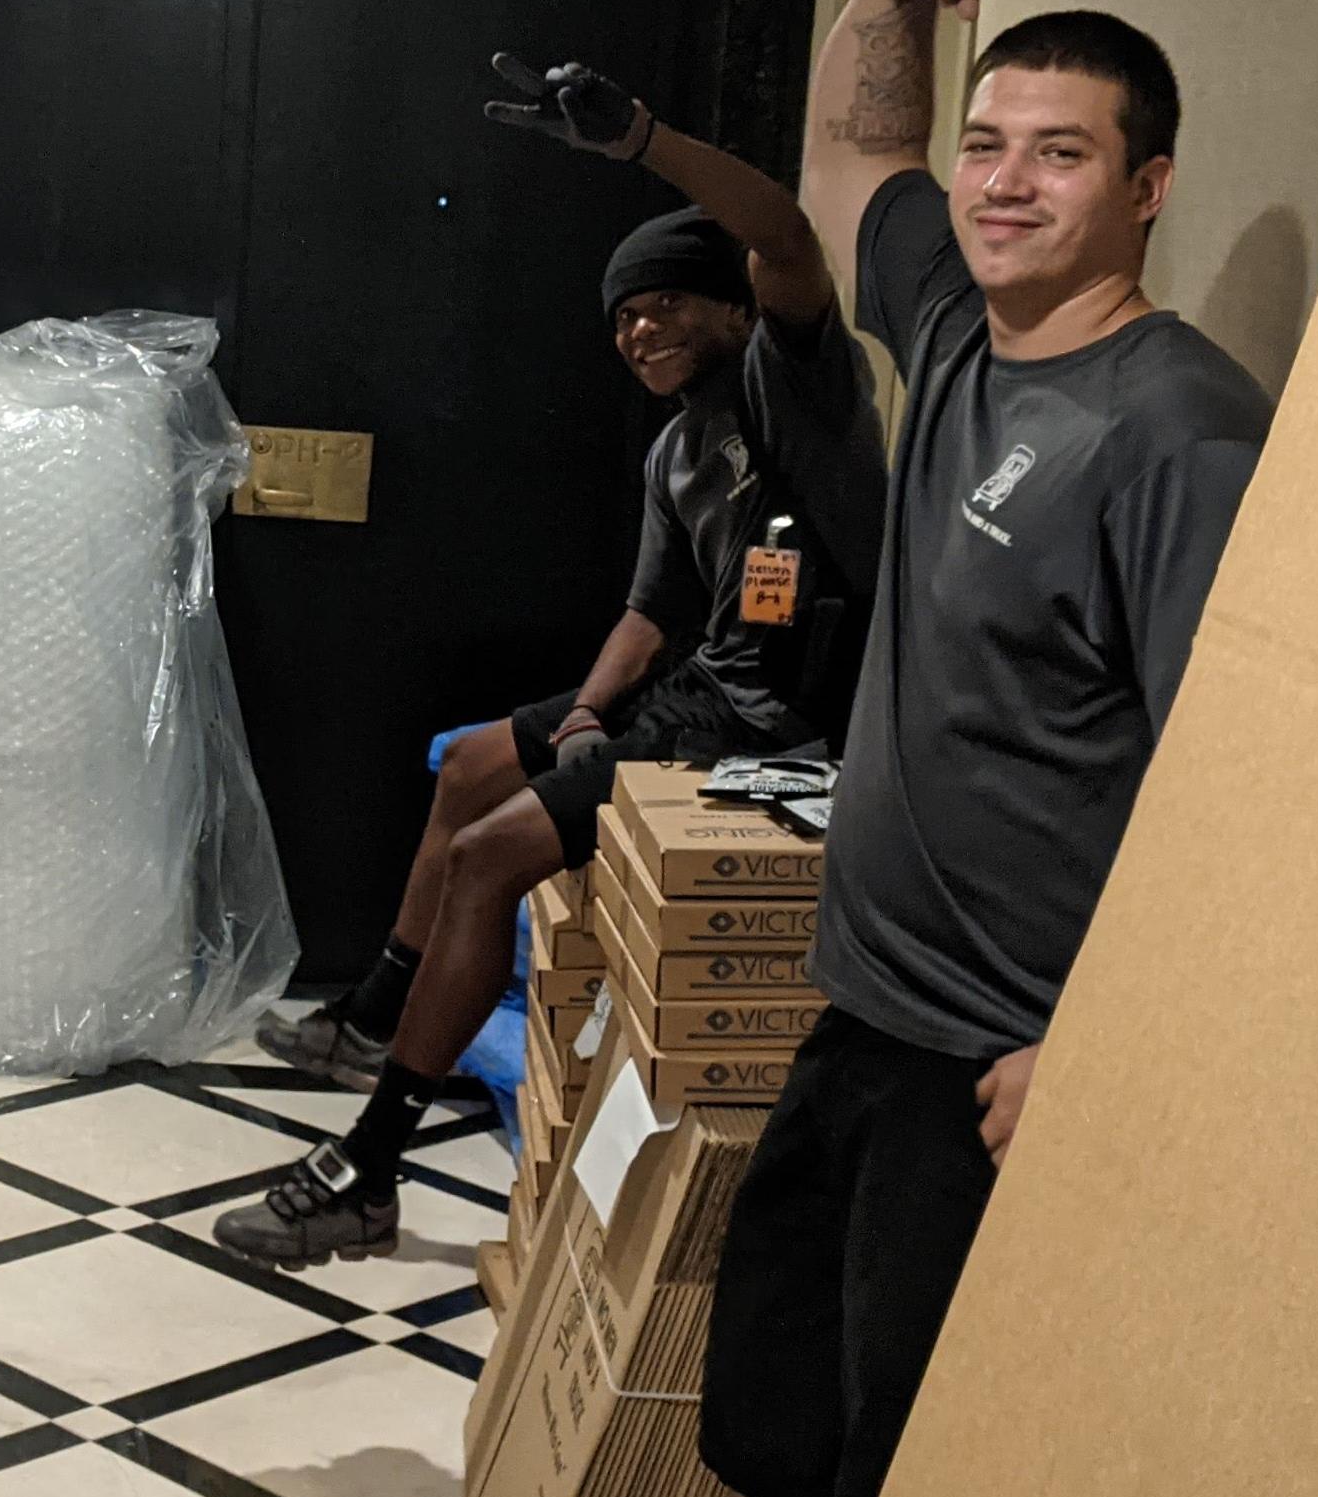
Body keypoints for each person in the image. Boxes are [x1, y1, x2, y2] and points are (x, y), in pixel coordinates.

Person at [494, 0, 1276, 1497]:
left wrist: (1082, 1042)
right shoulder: (951, 330)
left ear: (1149, 182)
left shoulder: (1178, 430)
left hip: (998, 1062)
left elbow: (1232, 776)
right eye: (995, 142)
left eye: (1062, 151)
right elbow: (850, 164)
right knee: (791, 1420)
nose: (1006, 181)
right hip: (874, 1010)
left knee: (908, 1475)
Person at [222, 65, 884, 1263]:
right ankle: (373, 1017)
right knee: (472, 766)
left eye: (661, 306)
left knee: (488, 861)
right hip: (691, 700)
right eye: (621, 321)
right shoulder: (678, 451)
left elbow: (781, 231)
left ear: (727, 303)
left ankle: (367, 1169)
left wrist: (638, 139)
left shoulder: (792, 394)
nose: (636, 332)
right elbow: (647, 612)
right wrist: (582, 715)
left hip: (765, 733)